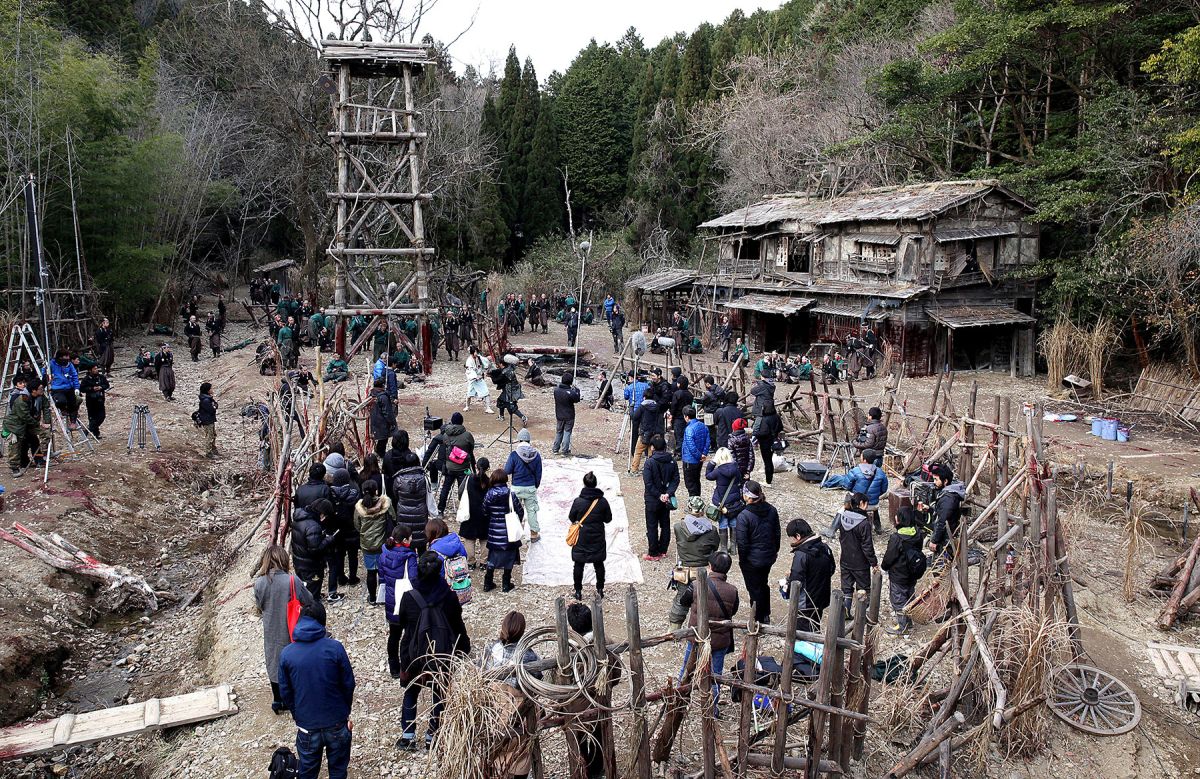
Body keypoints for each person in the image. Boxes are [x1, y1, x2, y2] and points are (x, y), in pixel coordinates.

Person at [395, 552, 471, 750]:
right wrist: (464, 647)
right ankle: (432, 735)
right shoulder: (449, 596)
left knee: (411, 691)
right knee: (439, 692)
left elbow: (402, 623)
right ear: (440, 571)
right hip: (441, 654)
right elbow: (457, 624)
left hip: (413, 654)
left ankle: (408, 736)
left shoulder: (409, 597)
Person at [278, 601, 356, 779]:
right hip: (336, 721)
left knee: (307, 772)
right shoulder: (335, 648)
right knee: (338, 771)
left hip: (307, 725)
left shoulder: (287, 654)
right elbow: (348, 684)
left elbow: (285, 692)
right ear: (323, 621)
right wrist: (344, 711)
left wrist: (298, 714)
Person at [253, 544, 314, 714]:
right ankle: (294, 697)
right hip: (291, 627)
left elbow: (259, 606)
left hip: (270, 628)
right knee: (293, 660)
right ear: (284, 560)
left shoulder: (259, 583)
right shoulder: (292, 580)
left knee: (273, 661)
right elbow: (308, 600)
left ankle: (277, 699)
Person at [676, 551, 740, 712]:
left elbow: (683, 601)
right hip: (719, 640)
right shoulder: (732, 591)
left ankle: (678, 700)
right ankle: (712, 709)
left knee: (686, 669)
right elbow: (733, 611)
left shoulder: (696, 585)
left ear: (710, 566)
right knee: (715, 674)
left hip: (697, 636)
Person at [668, 497, 721, 628]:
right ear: (703, 511)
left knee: (681, 599)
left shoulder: (678, 527)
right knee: (704, 599)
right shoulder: (712, 530)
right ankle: (704, 625)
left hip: (684, 571)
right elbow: (715, 546)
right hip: (704, 571)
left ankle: (674, 629)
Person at [734, 480, 781, 624]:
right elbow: (777, 533)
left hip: (752, 560)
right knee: (763, 584)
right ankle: (765, 614)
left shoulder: (744, 516)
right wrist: (774, 552)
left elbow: (742, 543)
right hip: (768, 556)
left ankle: (758, 618)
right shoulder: (772, 510)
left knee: (754, 588)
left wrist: (743, 560)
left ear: (747, 496)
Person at [881, 506, 927, 635]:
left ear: (900, 519)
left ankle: (902, 626)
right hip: (913, 572)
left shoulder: (897, 538)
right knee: (909, 595)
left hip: (898, 574)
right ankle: (909, 622)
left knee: (898, 599)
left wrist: (884, 567)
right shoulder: (918, 533)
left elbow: (890, 556)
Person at [568, 471, 613, 601]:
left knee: (578, 564)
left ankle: (578, 591)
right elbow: (608, 519)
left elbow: (571, 517)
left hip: (581, 536)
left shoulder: (578, 501)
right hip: (597, 535)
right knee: (598, 563)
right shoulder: (602, 501)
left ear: (584, 484)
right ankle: (600, 589)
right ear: (595, 484)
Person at [785, 518, 836, 632]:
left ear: (798, 536)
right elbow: (831, 569)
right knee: (815, 626)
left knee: (802, 633)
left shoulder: (801, 555)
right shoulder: (825, 548)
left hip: (805, 603)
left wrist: (787, 585)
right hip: (821, 598)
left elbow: (796, 581)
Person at [380, 528, 419, 676]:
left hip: (391, 598)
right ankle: (408, 665)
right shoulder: (409, 556)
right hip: (405, 599)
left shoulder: (385, 551)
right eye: (410, 538)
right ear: (404, 541)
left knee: (394, 635)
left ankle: (394, 667)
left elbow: (382, 575)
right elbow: (414, 579)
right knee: (409, 634)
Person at [830, 492, 878, 607]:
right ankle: (862, 616)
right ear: (861, 503)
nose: (867, 508)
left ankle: (846, 611)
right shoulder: (864, 523)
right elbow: (867, 546)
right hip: (860, 564)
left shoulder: (843, 516)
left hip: (845, 560)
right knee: (863, 589)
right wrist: (874, 563)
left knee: (847, 589)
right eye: (866, 504)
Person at [824, 449, 889, 534]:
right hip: (873, 505)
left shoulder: (855, 471)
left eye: (861, 456)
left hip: (857, 504)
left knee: (842, 510)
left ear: (864, 460)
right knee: (873, 507)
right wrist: (874, 495)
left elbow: (846, 486)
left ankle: (831, 531)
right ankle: (878, 529)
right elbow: (884, 490)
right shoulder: (881, 473)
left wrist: (855, 493)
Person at [424, 411, 475, 516]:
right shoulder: (467, 436)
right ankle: (464, 510)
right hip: (464, 467)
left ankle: (440, 510)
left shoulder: (446, 436)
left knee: (445, 488)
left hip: (449, 466)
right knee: (465, 490)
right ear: (462, 422)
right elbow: (471, 450)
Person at [354, 479, 393, 605]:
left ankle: (372, 598)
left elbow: (357, 525)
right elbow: (394, 517)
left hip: (367, 545)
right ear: (376, 491)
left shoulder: (359, 507)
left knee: (371, 572)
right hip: (383, 543)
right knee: (385, 570)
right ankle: (384, 596)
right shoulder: (385, 504)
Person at [484, 469, 524, 592]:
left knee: (492, 557)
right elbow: (520, 511)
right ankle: (506, 584)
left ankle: (487, 583)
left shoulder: (489, 493)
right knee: (509, 557)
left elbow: (485, 510)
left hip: (494, 530)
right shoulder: (510, 494)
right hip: (509, 531)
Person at [291, 499, 338, 600]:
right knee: (312, 591)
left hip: (299, 560)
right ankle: (312, 606)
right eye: (325, 515)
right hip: (310, 566)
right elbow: (315, 549)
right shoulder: (313, 527)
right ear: (321, 513)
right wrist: (328, 540)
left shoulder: (298, 518)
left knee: (305, 586)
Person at [642, 435, 679, 562]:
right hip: (666, 499)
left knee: (652, 526)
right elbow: (675, 480)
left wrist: (659, 495)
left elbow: (648, 483)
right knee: (665, 524)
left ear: (652, 447)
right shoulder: (672, 461)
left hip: (653, 499)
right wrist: (668, 493)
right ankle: (663, 549)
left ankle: (653, 552)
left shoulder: (649, 462)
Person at [328, 468, 362, 601]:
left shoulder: (331, 494)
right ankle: (353, 577)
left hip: (338, 530)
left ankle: (341, 577)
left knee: (339, 555)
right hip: (352, 528)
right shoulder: (354, 493)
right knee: (353, 555)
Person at [504, 429, 543, 544]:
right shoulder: (536, 455)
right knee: (532, 511)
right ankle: (534, 534)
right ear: (529, 440)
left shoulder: (514, 455)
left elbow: (507, 471)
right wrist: (535, 485)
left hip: (516, 487)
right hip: (530, 487)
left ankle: (515, 533)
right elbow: (538, 473)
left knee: (515, 511)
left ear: (519, 440)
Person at [923, 463, 966, 559]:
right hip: (946, 535)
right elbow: (944, 512)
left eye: (936, 479)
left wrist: (934, 540)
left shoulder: (948, 498)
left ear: (945, 481)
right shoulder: (949, 493)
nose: (934, 482)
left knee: (942, 564)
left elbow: (942, 521)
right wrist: (930, 509)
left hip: (946, 538)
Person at [392, 451, 431, 554]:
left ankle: (410, 567)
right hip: (420, 513)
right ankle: (423, 567)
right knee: (422, 543)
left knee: (407, 545)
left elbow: (396, 495)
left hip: (403, 513)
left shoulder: (398, 479)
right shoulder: (424, 478)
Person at [5, 381, 46, 477]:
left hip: (25, 425)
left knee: (36, 439)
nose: (42, 390)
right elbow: (24, 415)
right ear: (34, 390)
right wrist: (36, 423)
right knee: (15, 446)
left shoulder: (35, 397)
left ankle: (40, 458)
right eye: (40, 389)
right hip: (15, 426)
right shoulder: (23, 399)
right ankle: (15, 467)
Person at [458, 456, 491, 568]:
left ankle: (471, 562)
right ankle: (484, 562)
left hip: (470, 512)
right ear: (488, 468)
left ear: (476, 466)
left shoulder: (469, 479)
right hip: (485, 514)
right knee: (485, 538)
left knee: (469, 539)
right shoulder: (489, 481)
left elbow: (460, 492)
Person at [680, 406, 710, 498]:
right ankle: (698, 500)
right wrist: (704, 454)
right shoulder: (703, 426)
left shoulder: (689, 429)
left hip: (690, 460)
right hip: (699, 459)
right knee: (696, 480)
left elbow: (691, 446)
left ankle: (694, 505)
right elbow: (707, 440)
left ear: (686, 417)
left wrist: (699, 456)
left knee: (690, 483)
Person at [752, 402, 783, 486]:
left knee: (767, 462)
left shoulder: (765, 419)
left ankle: (768, 480)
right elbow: (781, 427)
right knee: (770, 460)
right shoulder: (776, 417)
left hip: (765, 442)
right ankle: (769, 478)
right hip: (774, 441)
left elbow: (764, 432)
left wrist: (755, 434)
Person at [47, 349, 79, 428]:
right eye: (66, 356)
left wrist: (76, 387)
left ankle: (73, 422)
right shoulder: (52, 364)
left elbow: (74, 375)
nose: (67, 358)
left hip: (69, 387)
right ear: (60, 357)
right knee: (61, 401)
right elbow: (45, 372)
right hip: (57, 388)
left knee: (73, 404)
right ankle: (63, 409)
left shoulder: (69, 365)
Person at [553, 373, 581, 456]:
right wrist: (577, 391)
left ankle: (555, 449)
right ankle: (565, 451)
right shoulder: (570, 392)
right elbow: (577, 399)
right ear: (570, 382)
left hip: (559, 415)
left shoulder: (556, 390)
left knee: (559, 432)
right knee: (567, 432)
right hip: (569, 416)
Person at [79, 364, 109, 439]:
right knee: (92, 418)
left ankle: (88, 430)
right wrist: (92, 389)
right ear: (90, 370)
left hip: (100, 399)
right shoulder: (86, 379)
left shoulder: (101, 377)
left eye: (96, 368)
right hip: (91, 401)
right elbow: (82, 389)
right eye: (94, 369)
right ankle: (96, 433)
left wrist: (101, 387)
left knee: (101, 416)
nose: (96, 370)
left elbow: (106, 385)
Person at [367, 378, 395, 459]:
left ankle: (378, 453)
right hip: (382, 421)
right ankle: (380, 454)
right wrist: (392, 422)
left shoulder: (371, 394)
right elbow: (387, 412)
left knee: (379, 438)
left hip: (374, 419)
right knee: (383, 439)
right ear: (383, 385)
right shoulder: (383, 397)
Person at [464, 346, 494, 414]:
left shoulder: (479, 357)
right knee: (469, 394)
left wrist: (488, 359)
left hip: (479, 378)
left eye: (477, 352)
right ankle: (467, 406)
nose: (476, 353)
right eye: (475, 352)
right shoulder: (469, 361)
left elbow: (485, 362)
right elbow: (469, 370)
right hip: (473, 379)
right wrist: (474, 376)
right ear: (472, 353)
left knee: (486, 392)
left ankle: (488, 408)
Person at [668, 376, 693, 457]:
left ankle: (679, 453)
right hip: (688, 417)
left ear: (679, 384)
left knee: (679, 435)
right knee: (686, 434)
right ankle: (685, 450)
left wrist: (671, 415)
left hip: (678, 417)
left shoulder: (677, 394)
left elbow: (673, 406)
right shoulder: (690, 394)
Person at [196, 382, 218, 458]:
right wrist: (214, 407)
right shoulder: (206, 400)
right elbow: (212, 409)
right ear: (208, 390)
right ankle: (208, 452)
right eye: (211, 388)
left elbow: (215, 405)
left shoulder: (207, 398)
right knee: (209, 436)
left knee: (213, 434)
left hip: (209, 419)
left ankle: (213, 449)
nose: (212, 389)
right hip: (207, 420)